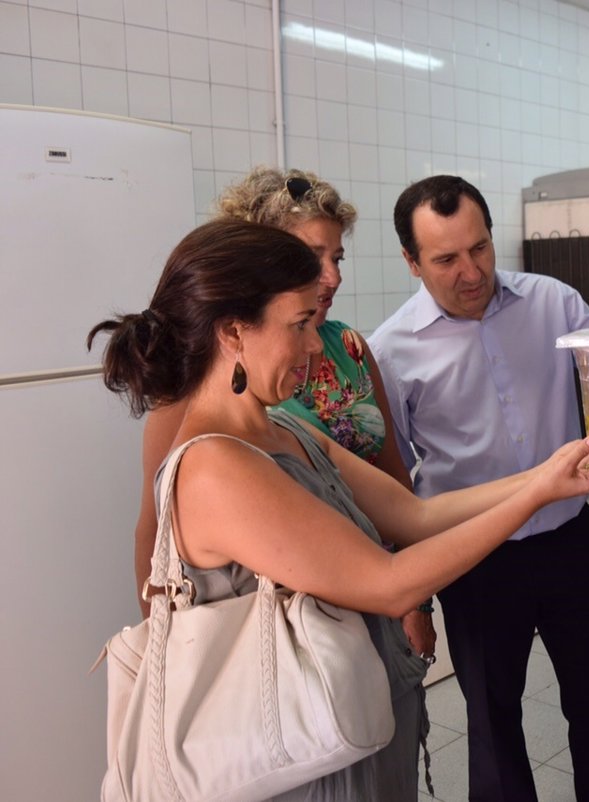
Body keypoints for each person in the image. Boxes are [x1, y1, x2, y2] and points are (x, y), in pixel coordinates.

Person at [87, 219, 589, 801]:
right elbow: (388, 582)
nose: (316, 344)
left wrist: (546, 475)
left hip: (349, 725)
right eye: (299, 324)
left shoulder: (284, 428)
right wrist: (535, 497)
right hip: (300, 756)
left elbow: (414, 516)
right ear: (234, 332)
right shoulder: (215, 466)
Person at [369, 175, 589, 802]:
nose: (471, 272)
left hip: (569, 543)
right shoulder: (389, 352)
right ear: (412, 262)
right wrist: (413, 600)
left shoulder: (552, 301)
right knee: (494, 725)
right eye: (446, 259)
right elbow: (392, 484)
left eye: (480, 248)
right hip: (474, 560)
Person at [131, 167, 434, 668]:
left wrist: (416, 603)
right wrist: (165, 654)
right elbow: (156, 533)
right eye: (312, 257)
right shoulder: (200, 389)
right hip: (286, 648)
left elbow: (396, 482)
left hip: (379, 612)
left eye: (336, 257)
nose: (331, 276)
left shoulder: (349, 349)